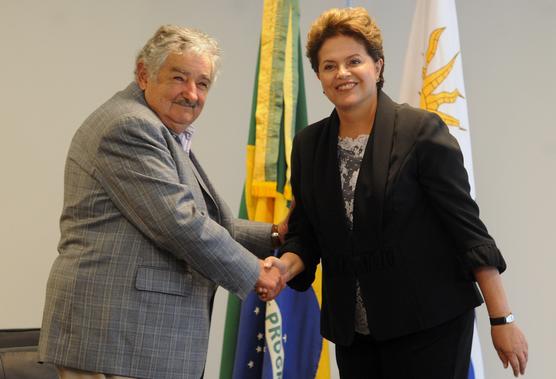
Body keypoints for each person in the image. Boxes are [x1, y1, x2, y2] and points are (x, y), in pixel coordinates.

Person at [262, 7, 528, 379]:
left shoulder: (420, 131)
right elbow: (305, 235)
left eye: (354, 61)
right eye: (329, 66)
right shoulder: (308, 145)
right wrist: (282, 266)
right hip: (353, 334)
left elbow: (468, 231)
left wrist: (502, 318)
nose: (342, 74)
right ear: (320, 77)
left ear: (378, 66)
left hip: (429, 326)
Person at [38, 25, 286, 379]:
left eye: (202, 83)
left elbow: (205, 219)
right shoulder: (129, 126)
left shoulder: (158, 127)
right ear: (144, 73)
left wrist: (276, 234)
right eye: (179, 78)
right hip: (117, 339)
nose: (191, 93)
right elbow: (180, 223)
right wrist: (255, 272)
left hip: (136, 340)